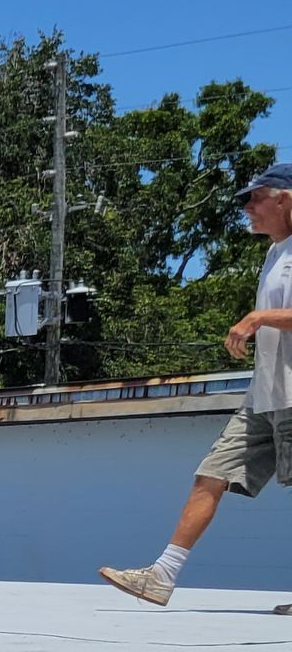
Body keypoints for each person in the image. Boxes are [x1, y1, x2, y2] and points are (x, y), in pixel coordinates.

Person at [99, 162, 292, 609]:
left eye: (255, 198)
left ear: (284, 198)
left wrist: (256, 318)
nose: (247, 209)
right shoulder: (273, 253)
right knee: (212, 474)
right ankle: (161, 576)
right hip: (264, 394)